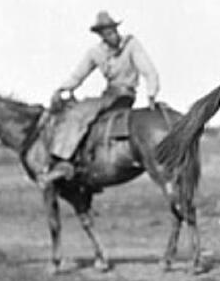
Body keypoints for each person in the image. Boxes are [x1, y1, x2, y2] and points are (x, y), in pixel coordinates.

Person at [36, 11, 160, 185]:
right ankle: (71, 158)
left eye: (113, 31)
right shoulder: (96, 52)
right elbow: (78, 75)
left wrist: (151, 93)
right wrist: (62, 88)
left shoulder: (131, 45)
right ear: (101, 35)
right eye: (107, 33)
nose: (112, 36)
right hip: (109, 94)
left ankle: (62, 161)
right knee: (75, 109)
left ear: (116, 30)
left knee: (78, 113)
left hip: (124, 95)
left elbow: (148, 69)